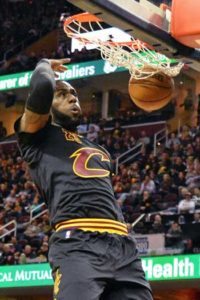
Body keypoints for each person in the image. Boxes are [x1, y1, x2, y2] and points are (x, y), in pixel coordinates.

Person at [14, 58, 153, 300]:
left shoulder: (99, 149)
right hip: (77, 243)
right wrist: (45, 64)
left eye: (74, 94)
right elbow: (43, 86)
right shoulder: (36, 135)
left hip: (122, 246)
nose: (72, 98)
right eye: (62, 94)